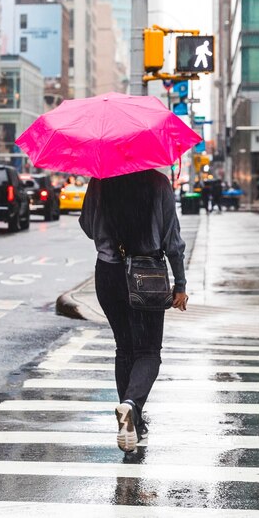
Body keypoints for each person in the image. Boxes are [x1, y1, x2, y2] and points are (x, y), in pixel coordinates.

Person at [79, 169, 187, 453]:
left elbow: (89, 227)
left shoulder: (100, 180)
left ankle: (133, 422)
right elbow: (172, 241)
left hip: (108, 273)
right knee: (149, 351)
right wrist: (180, 283)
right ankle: (131, 406)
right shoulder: (159, 183)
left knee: (124, 348)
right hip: (146, 273)